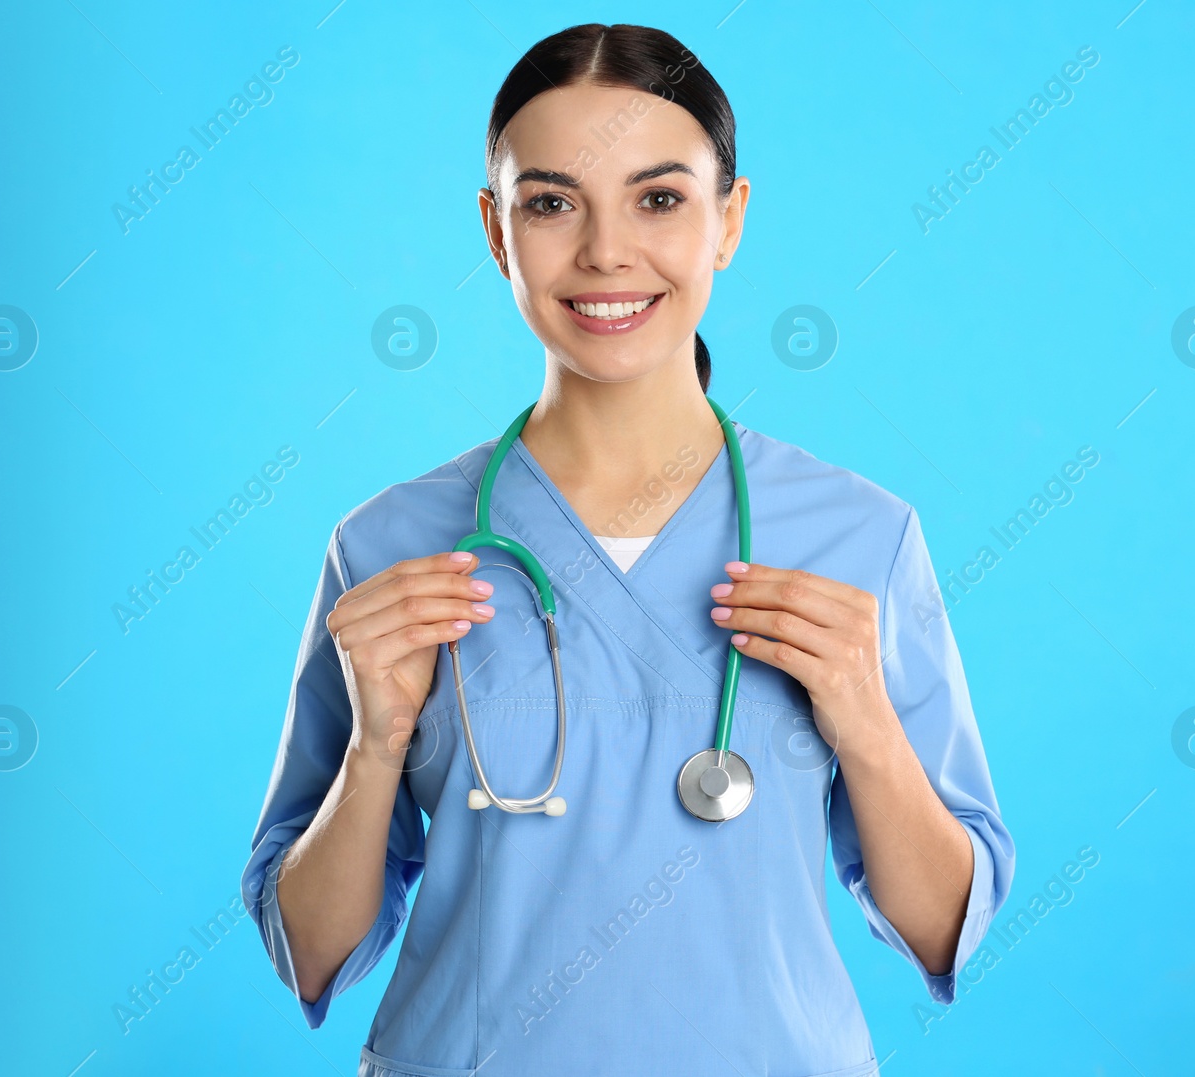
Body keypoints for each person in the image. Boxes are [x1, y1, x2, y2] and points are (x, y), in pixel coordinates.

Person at [242, 22, 1013, 1076]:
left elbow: (939, 930)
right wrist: (375, 747)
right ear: (496, 232)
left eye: (659, 199)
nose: (605, 252)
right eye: (552, 203)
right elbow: (310, 957)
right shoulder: (390, 547)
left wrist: (868, 726)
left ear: (729, 221)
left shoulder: (860, 536)